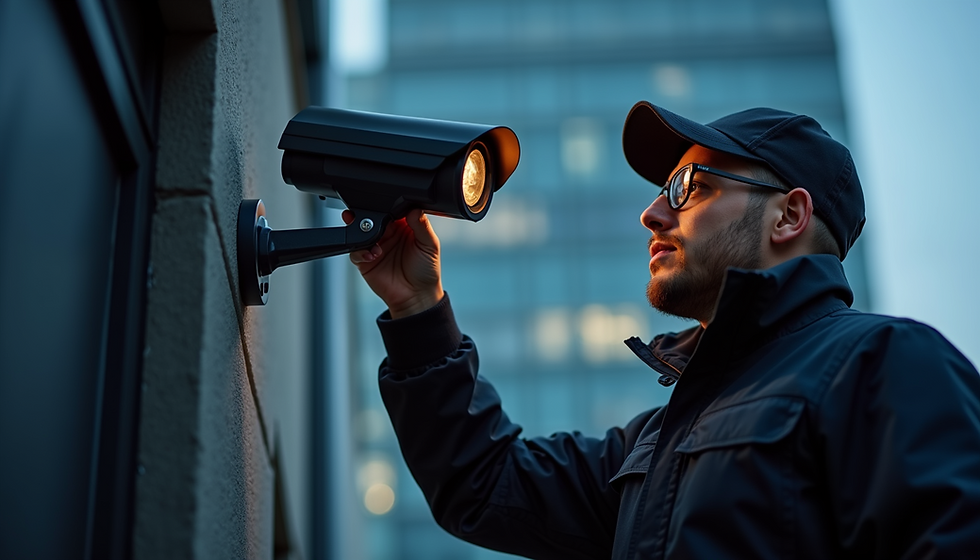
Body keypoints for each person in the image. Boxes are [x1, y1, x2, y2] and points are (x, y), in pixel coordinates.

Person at [345, 101, 980, 559]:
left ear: (789, 215)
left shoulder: (888, 364)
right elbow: (482, 485)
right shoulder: (656, 444)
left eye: (688, 186)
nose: (652, 212)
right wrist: (418, 306)